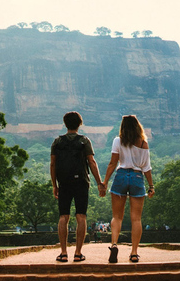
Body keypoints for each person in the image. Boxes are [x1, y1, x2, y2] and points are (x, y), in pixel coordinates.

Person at [50, 111, 106, 262]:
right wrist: (99, 182)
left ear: (65, 124)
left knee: (63, 217)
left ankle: (63, 253)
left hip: (64, 182)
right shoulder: (84, 141)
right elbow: (92, 163)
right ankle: (78, 253)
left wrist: (54, 185)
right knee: (81, 216)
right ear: (79, 124)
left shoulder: (57, 142)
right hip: (81, 182)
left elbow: (53, 164)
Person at [102, 114, 155, 263]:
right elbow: (146, 167)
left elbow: (113, 163)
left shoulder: (118, 141)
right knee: (136, 219)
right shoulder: (143, 143)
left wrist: (104, 182)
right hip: (137, 177)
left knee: (117, 216)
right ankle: (134, 253)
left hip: (121, 175)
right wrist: (151, 186)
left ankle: (114, 244)